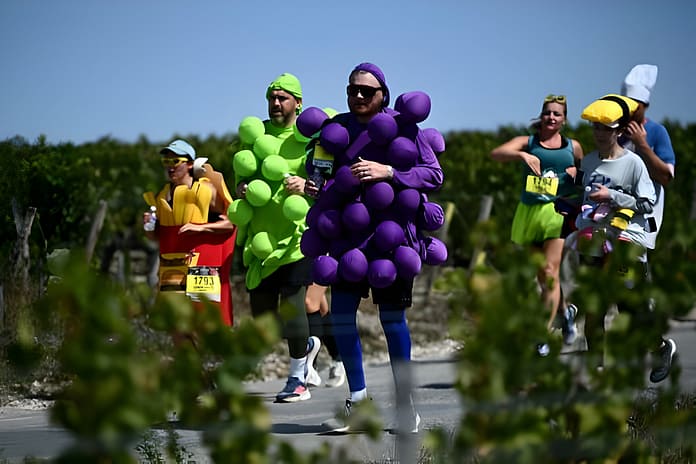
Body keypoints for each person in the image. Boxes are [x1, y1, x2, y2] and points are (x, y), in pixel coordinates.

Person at [305, 62, 445, 433]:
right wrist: (311, 188)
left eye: (367, 91)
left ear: (383, 94)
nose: (359, 96)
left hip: (392, 238)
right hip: (349, 241)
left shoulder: (403, 128)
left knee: (391, 320)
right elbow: (319, 176)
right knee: (341, 317)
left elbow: (434, 175)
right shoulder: (335, 132)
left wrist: (391, 173)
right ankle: (358, 401)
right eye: (353, 90)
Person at [229, 73, 337, 402]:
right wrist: (242, 189)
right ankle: (307, 344)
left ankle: (297, 380)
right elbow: (240, 179)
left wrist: (307, 186)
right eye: (272, 98)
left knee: (294, 307)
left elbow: (327, 187)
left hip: (299, 237)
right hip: (261, 240)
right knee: (264, 318)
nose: (276, 103)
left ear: (298, 103)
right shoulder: (255, 136)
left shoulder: (313, 139)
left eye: (283, 98)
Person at [565, 94, 656, 373]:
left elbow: (647, 203)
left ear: (618, 130)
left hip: (624, 241)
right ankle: (597, 369)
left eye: (606, 128)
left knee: (629, 309)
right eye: (595, 128)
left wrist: (613, 196)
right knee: (594, 310)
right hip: (593, 242)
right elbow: (584, 199)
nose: (599, 134)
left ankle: (655, 351)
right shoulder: (589, 162)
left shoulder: (633, 163)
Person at [490, 95, 584, 344]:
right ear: (541, 116)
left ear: (564, 120)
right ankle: (565, 312)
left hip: (558, 212)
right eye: (548, 113)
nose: (551, 117)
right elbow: (497, 153)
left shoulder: (572, 147)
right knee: (543, 275)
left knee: (550, 270)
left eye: (557, 114)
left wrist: (577, 175)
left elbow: (586, 178)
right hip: (530, 212)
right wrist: (522, 156)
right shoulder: (528, 141)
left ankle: (541, 334)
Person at [619, 64, 677, 383]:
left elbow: (666, 175)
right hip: (613, 220)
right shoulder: (615, 131)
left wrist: (642, 146)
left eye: (634, 106)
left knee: (629, 284)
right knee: (622, 293)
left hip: (642, 222)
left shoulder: (655, 133)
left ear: (645, 106)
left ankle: (655, 345)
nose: (628, 111)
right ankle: (654, 345)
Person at [143, 139, 237, 326]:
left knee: (203, 318)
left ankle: (206, 354)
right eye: (166, 162)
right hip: (171, 266)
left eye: (175, 161)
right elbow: (155, 237)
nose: (170, 167)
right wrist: (148, 227)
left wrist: (200, 227)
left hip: (200, 265)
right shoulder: (162, 195)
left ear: (189, 164)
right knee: (175, 321)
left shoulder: (206, 190)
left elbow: (231, 223)